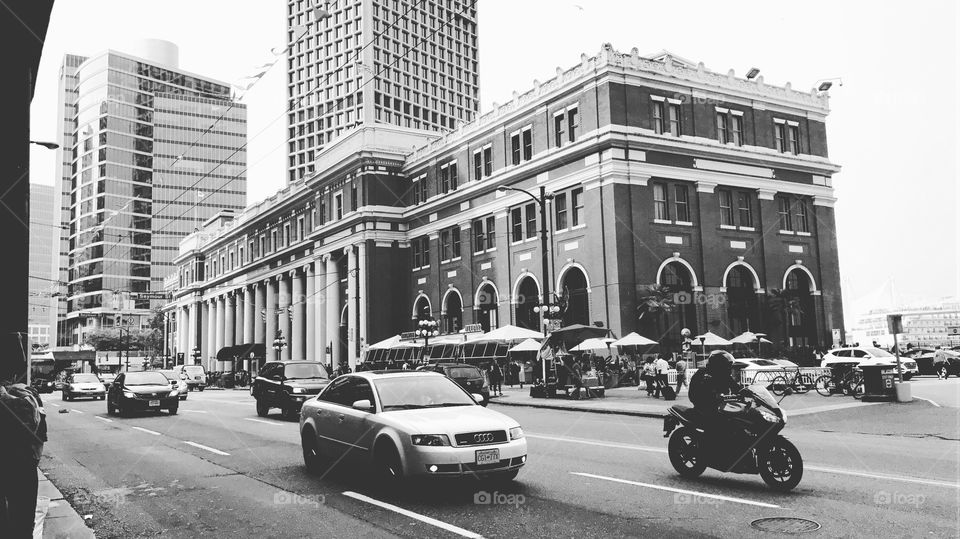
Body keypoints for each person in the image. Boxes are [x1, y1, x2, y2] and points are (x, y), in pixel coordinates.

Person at [0, 375, 47, 538]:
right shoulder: (27, 399)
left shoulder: (12, 398)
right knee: (24, 520)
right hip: (25, 464)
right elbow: (41, 436)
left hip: (10, 463)